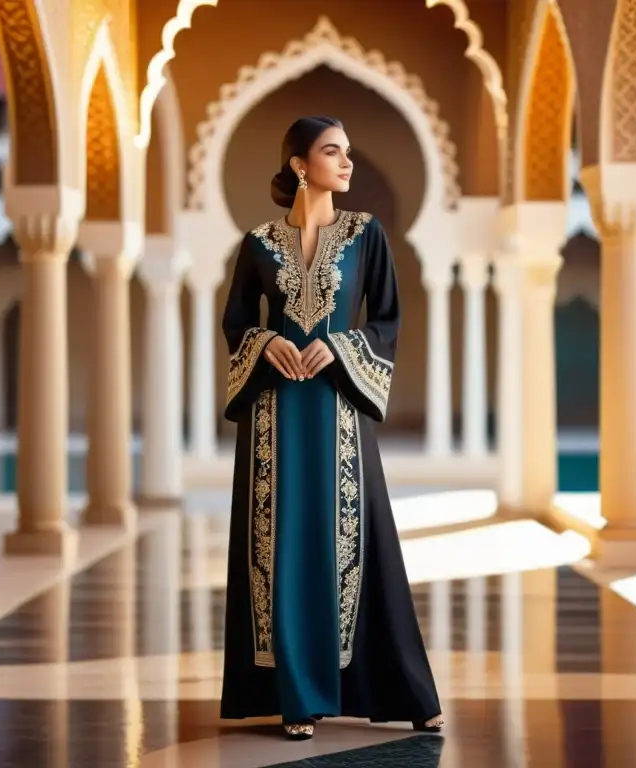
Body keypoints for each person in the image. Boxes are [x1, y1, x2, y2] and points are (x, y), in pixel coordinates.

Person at [219, 116, 444, 741]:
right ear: (299, 164)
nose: (347, 163)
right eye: (332, 152)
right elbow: (236, 322)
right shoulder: (259, 243)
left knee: (361, 544)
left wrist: (341, 348)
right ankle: (297, 696)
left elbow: (388, 319)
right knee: (282, 548)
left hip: (340, 409)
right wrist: (266, 344)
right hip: (275, 416)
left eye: (348, 151)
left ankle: (404, 688)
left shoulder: (366, 235)